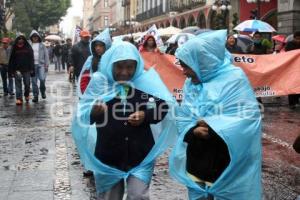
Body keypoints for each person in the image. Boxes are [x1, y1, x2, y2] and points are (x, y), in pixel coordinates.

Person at [72, 41, 176, 200]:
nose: (124, 72)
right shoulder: (100, 83)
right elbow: (83, 115)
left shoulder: (146, 82)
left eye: (129, 67)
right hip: (108, 155)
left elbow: (163, 107)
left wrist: (145, 116)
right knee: (109, 197)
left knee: (138, 196)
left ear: (137, 65)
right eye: (119, 67)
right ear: (110, 64)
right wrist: (94, 112)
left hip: (140, 155)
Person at [170, 30, 262, 200]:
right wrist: (193, 132)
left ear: (203, 62)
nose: (184, 72)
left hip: (225, 163)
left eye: (186, 66)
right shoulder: (190, 84)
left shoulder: (234, 79)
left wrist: (211, 127)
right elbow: (183, 119)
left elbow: (247, 120)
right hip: (197, 162)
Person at [79, 28, 111, 95]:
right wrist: (86, 93)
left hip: (109, 95)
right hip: (92, 95)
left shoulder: (112, 59)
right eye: (96, 45)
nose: (98, 48)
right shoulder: (91, 60)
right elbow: (84, 79)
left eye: (100, 45)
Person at [9, 35, 34, 105]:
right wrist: (11, 70)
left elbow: (31, 58)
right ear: (17, 40)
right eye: (19, 39)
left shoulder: (28, 47)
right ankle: (19, 98)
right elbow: (11, 60)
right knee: (18, 84)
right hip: (17, 70)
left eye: (22, 39)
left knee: (27, 84)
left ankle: (26, 95)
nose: (20, 40)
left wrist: (32, 68)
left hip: (27, 69)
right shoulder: (14, 48)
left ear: (24, 40)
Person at [29, 30, 50, 102]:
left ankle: (43, 91)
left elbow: (46, 55)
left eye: (36, 36)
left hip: (41, 65)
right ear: (31, 37)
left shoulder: (42, 45)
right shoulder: (29, 45)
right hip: (32, 65)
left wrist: (46, 65)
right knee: (34, 82)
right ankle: (35, 96)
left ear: (38, 37)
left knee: (42, 79)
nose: (35, 38)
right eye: (33, 37)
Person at [285, 30, 300, 109]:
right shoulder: (289, 44)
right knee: (291, 85)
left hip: (298, 68)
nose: (298, 40)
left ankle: (297, 100)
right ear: (294, 38)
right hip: (291, 69)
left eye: (299, 39)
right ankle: (292, 103)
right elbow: (288, 55)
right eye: (297, 38)